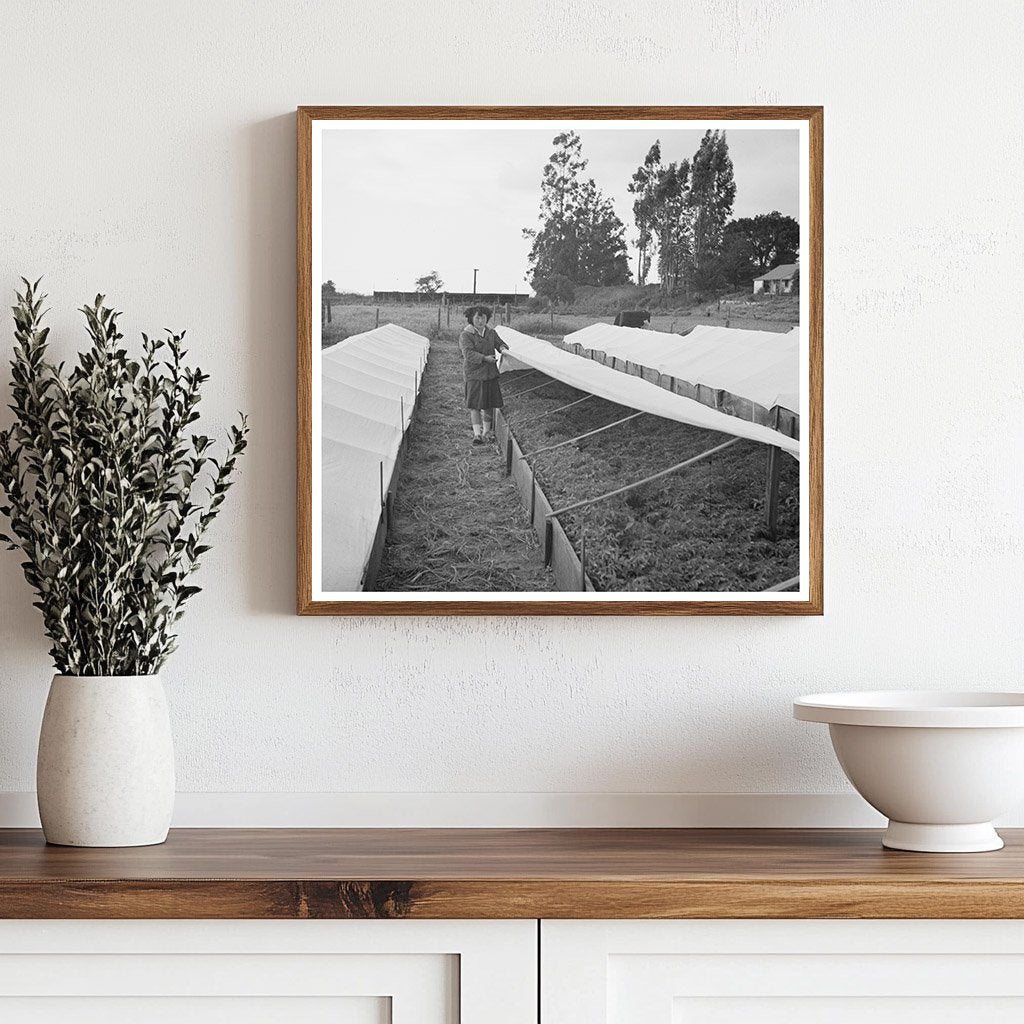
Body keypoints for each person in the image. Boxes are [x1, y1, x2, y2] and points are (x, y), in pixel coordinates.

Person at [458, 305, 509, 445]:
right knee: (475, 405)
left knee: (488, 403)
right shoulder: (466, 335)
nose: (480, 321)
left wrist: (502, 347)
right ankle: (477, 434)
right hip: (474, 374)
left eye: (483, 318)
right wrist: (485, 358)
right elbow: (468, 354)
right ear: (471, 319)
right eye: (477, 318)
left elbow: (499, 343)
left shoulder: (491, 332)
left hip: (490, 373)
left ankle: (487, 431)